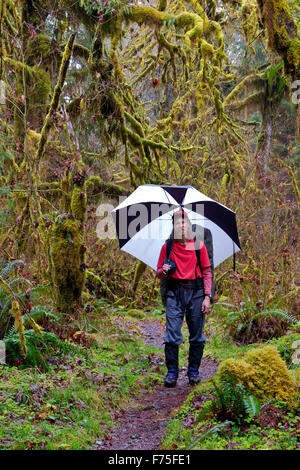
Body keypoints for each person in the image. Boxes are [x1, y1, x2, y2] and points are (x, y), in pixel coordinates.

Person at [156, 210, 212, 387]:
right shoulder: (168, 247)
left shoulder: (198, 245)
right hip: (175, 293)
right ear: (174, 226)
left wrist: (207, 297)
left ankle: (193, 372)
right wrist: (163, 271)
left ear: (188, 225)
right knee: (172, 335)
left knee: (197, 336)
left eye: (184, 222)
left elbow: (207, 272)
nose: (181, 225)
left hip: (196, 294)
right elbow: (159, 272)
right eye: (178, 223)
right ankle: (172, 373)